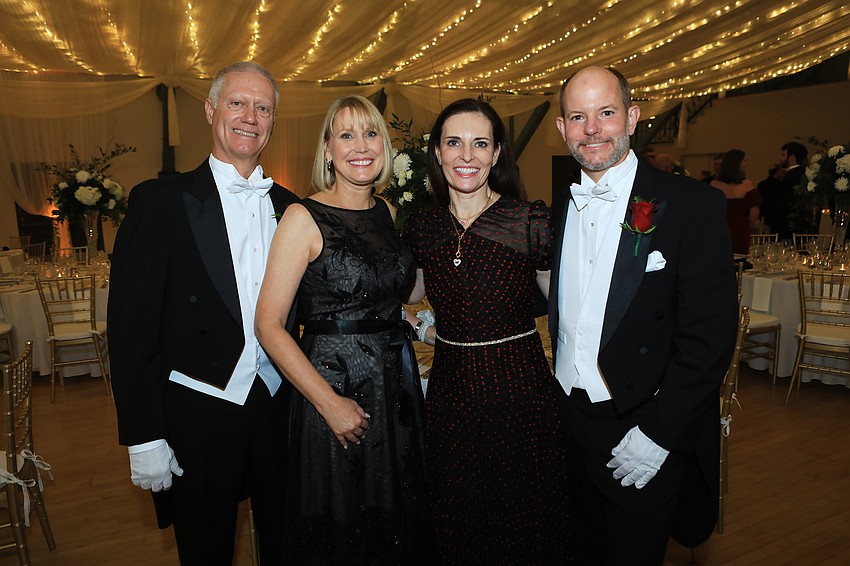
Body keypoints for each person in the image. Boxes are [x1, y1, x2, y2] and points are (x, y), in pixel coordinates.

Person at [108, 62, 300, 565]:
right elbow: (131, 331)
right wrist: (143, 435)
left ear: (273, 122)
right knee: (206, 551)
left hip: (277, 407)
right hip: (198, 411)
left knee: (287, 544)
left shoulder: (292, 207)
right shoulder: (160, 203)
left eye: (263, 108)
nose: (250, 117)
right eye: (238, 102)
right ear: (211, 109)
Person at [550, 66, 737, 564]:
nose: (592, 129)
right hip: (570, 419)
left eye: (606, 113)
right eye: (578, 116)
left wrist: (660, 434)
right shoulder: (557, 208)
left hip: (642, 427)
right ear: (562, 128)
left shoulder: (692, 205)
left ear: (632, 118)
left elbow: (710, 338)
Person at [254, 95, 430, 565]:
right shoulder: (302, 217)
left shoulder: (388, 213)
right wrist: (328, 403)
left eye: (371, 133)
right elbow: (269, 326)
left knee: (391, 515)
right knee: (340, 520)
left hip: (394, 387)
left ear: (385, 147)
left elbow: (395, 298)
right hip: (331, 388)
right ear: (328, 150)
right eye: (346, 134)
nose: (360, 145)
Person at [402, 98, 570, 565]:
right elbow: (404, 294)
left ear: (497, 154)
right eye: (454, 143)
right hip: (451, 394)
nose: (466, 156)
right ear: (436, 152)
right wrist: (415, 325)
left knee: (522, 519)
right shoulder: (424, 227)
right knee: (459, 517)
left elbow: (571, 308)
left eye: (480, 143)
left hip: (519, 390)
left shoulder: (528, 223)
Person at [711, 149, 762, 255]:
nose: (746, 164)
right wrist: (746, 224)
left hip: (719, 228)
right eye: (744, 161)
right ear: (737, 164)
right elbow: (755, 212)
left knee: (720, 258)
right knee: (740, 260)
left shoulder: (714, 184)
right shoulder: (746, 184)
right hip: (740, 228)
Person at [760, 141, 807, 239]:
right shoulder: (804, 175)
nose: (780, 158)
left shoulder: (788, 177)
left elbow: (772, 196)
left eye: (783, 155)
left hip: (782, 225)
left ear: (792, 158)